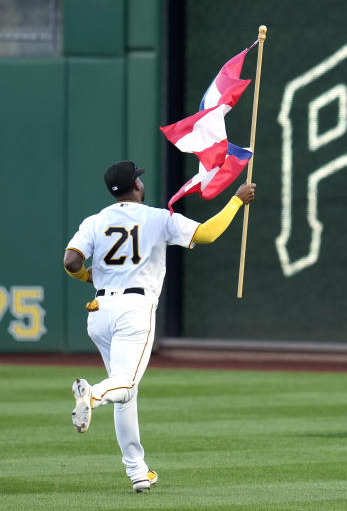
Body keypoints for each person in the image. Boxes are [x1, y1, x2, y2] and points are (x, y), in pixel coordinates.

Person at [63, 160, 255, 493]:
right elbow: (206, 234)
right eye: (138, 179)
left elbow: (71, 261)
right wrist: (237, 200)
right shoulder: (158, 217)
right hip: (134, 309)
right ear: (136, 186)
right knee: (123, 384)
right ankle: (90, 394)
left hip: (99, 310)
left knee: (126, 395)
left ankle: (138, 472)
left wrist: (87, 276)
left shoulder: (95, 222)